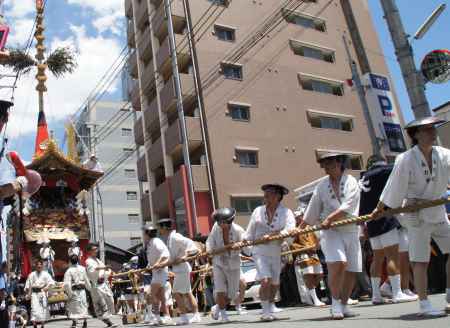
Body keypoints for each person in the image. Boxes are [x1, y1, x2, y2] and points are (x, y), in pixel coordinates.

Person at [372, 116, 450, 317]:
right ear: (415, 134)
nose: (433, 132)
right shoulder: (405, 158)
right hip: (416, 214)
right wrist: (379, 208)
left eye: (433, 128)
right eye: (427, 129)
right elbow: (393, 188)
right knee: (421, 260)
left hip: (437, 210)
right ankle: (424, 304)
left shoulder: (444, 154)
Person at [303, 153, 361, 320]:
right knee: (338, 263)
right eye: (324, 164)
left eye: (330, 162)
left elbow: (349, 204)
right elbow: (312, 211)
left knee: (352, 270)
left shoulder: (351, 181)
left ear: (339, 163)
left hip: (349, 229)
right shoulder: (321, 186)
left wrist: (330, 218)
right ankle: (335, 303)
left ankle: (344, 304)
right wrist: (299, 229)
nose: (326, 166)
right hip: (331, 231)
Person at [359, 154, 417, 304]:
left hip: (371, 222)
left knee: (377, 259)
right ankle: (397, 292)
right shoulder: (384, 171)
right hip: (385, 217)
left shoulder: (364, 177)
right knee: (392, 256)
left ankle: (376, 295)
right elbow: (400, 168)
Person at [245, 183, 295, 321]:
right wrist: (244, 242)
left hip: (276, 249)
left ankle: (271, 304)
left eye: (270, 192)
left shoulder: (287, 212)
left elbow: (291, 229)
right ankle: (265, 310)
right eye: (265, 192)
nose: (265, 195)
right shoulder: (257, 211)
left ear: (278, 196)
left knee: (275, 282)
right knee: (265, 280)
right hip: (259, 250)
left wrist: (275, 235)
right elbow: (250, 231)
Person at [206, 208, 247, 322]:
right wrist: (209, 250)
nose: (219, 224)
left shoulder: (238, 230)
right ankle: (224, 315)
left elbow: (246, 246)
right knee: (220, 289)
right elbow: (210, 240)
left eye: (221, 222)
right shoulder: (216, 227)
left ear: (229, 221)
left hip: (233, 263)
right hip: (218, 262)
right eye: (218, 221)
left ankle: (218, 307)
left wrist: (240, 245)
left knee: (232, 294)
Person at [158, 218, 200, 325]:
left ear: (164, 227)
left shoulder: (175, 236)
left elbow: (191, 245)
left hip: (181, 268)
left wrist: (185, 256)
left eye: (160, 227)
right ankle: (195, 315)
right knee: (187, 293)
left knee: (177, 293)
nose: (159, 230)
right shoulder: (170, 237)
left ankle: (184, 317)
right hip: (180, 268)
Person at [292, 208, 325, 307]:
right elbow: (292, 245)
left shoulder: (310, 227)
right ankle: (315, 299)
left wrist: (316, 246)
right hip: (302, 255)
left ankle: (310, 291)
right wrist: (304, 248)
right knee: (309, 275)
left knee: (320, 274)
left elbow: (317, 240)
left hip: (313, 254)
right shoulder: (294, 230)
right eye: (297, 217)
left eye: (301, 216)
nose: (299, 218)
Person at [85, 243, 118, 327]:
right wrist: (104, 268)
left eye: (96, 249)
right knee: (101, 305)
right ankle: (109, 323)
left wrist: (108, 272)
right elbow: (92, 270)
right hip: (96, 286)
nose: (96, 250)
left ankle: (109, 321)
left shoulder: (98, 260)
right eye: (94, 249)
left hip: (103, 284)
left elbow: (104, 271)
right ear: (89, 251)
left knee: (110, 300)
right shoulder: (88, 261)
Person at [143, 225, 170, 325]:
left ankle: (155, 316)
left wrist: (155, 264)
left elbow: (165, 254)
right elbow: (153, 259)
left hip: (160, 271)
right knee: (160, 296)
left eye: (144, 233)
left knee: (150, 294)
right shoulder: (150, 243)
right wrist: (149, 266)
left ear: (147, 234)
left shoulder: (156, 241)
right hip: (156, 272)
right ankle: (164, 317)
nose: (143, 235)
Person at [24, 259, 55, 328]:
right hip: (34, 294)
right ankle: (34, 325)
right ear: (35, 266)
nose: (39, 266)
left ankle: (42, 325)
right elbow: (28, 285)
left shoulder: (45, 274)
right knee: (34, 309)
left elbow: (51, 282)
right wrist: (28, 293)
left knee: (43, 310)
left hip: (42, 293)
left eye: (40, 265)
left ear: (42, 266)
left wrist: (47, 288)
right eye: (38, 265)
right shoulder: (31, 274)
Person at [64, 254, 91, 328]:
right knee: (83, 305)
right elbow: (87, 280)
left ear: (70, 261)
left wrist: (69, 293)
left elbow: (66, 284)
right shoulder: (83, 268)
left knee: (74, 307)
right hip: (82, 291)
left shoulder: (69, 270)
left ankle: (74, 323)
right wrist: (89, 289)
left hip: (75, 291)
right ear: (78, 260)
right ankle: (85, 322)